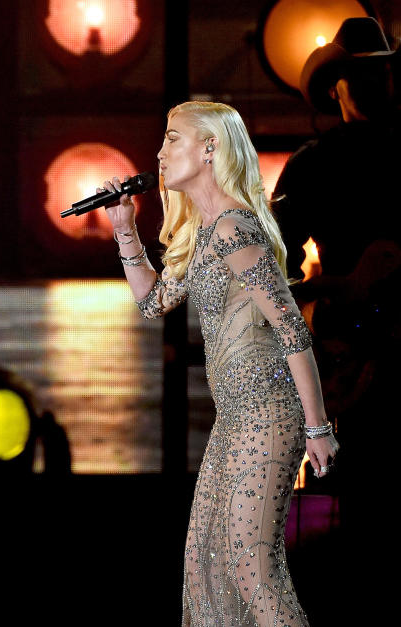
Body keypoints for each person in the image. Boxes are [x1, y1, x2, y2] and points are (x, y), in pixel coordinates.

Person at [99, 101, 338, 626]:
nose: (160, 153)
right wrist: (125, 229)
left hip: (269, 412)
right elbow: (151, 303)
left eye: (172, 139)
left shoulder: (234, 228)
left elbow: (292, 329)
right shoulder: (206, 233)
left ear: (210, 149)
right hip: (234, 420)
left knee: (253, 567)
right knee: (209, 563)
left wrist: (318, 426)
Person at [271, 15, 400, 615]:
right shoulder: (314, 166)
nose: (376, 86)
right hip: (363, 364)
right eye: (360, 76)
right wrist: (336, 295)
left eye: (383, 73)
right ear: (335, 88)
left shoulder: (315, 165)